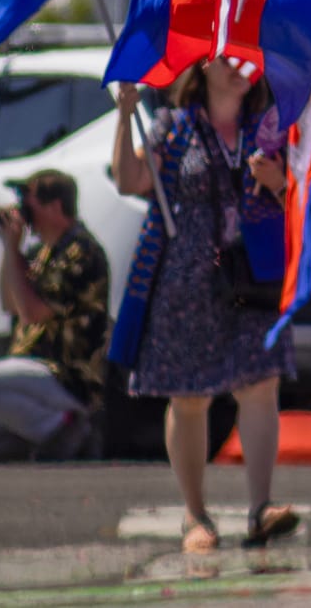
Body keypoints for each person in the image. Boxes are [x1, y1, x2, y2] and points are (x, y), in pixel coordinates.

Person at [112, 60, 299, 554]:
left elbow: (303, 196)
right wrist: (124, 113)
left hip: (253, 275)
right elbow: (130, 180)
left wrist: (280, 182)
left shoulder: (270, 126)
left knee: (260, 385)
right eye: (227, 59)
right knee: (190, 397)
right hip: (187, 281)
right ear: (202, 67)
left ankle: (261, 508)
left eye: (247, 59)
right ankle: (195, 515)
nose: (241, 69)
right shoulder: (172, 127)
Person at [0, 170, 109, 463]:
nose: (22, 211)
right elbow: (10, 303)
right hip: (31, 374)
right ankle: (43, 439)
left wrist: (12, 247)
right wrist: (10, 249)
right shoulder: (40, 251)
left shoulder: (80, 251)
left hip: (64, 376)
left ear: (55, 206)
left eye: (29, 204)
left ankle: (63, 427)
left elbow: (32, 313)